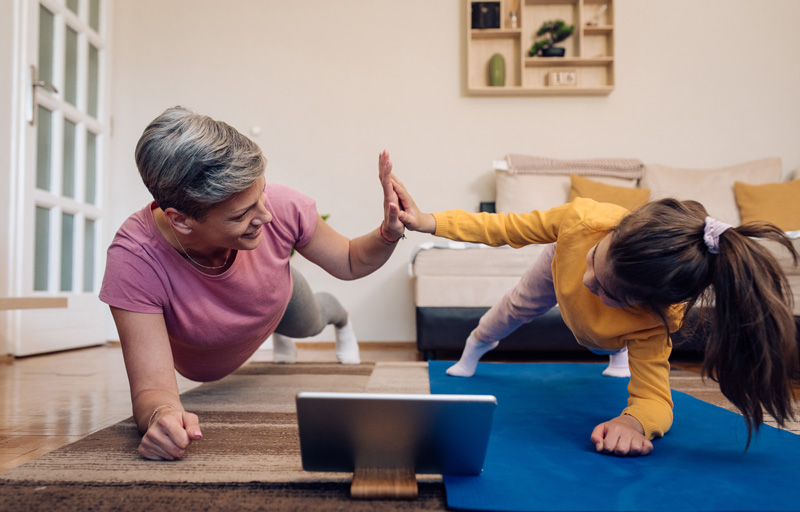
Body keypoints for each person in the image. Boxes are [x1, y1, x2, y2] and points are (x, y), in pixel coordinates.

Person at [392, 178, 798, 457]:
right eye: (596, 264)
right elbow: (504, 227)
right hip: (558, 263)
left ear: (648, 303)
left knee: (609, 335)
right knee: (516, 307)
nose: (589, 284)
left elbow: (655, 399)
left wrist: (634, 423)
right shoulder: (583, 221)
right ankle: (475, 345)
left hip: (610, 330)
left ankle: (617, 353)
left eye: (610, 293)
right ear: (609, 236)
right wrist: (429, 221)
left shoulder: (654, 322)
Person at [99, 106, 407, 460]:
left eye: (260, 195)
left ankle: (341, 318)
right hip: (212, 351)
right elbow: (152, 390)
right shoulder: (134, 259)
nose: (267, 215)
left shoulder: (281, 206)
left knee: (311, 322)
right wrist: (163, 417)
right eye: (242, 213)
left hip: (277, 299)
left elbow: (351, 259)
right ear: (181, 220)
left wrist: (388, 232)